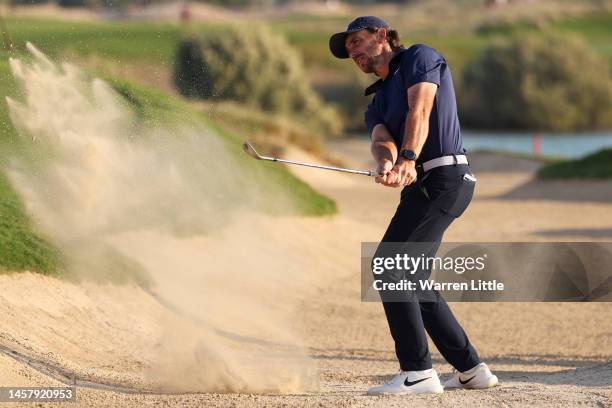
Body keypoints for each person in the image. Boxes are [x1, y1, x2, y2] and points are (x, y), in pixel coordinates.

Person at [329, 16, 499, 395]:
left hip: (443, 178)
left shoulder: (419, 58)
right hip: (423, 186)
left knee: (388, 265)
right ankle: (472, 369)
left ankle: (418, 372)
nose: (353, 52)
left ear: (383, 35)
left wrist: (407, 158)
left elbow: (419, 109)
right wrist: (388, 162)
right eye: (349, 49)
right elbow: (381, 139)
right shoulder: (375, 100)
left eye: (357, 41)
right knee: (411, 276)